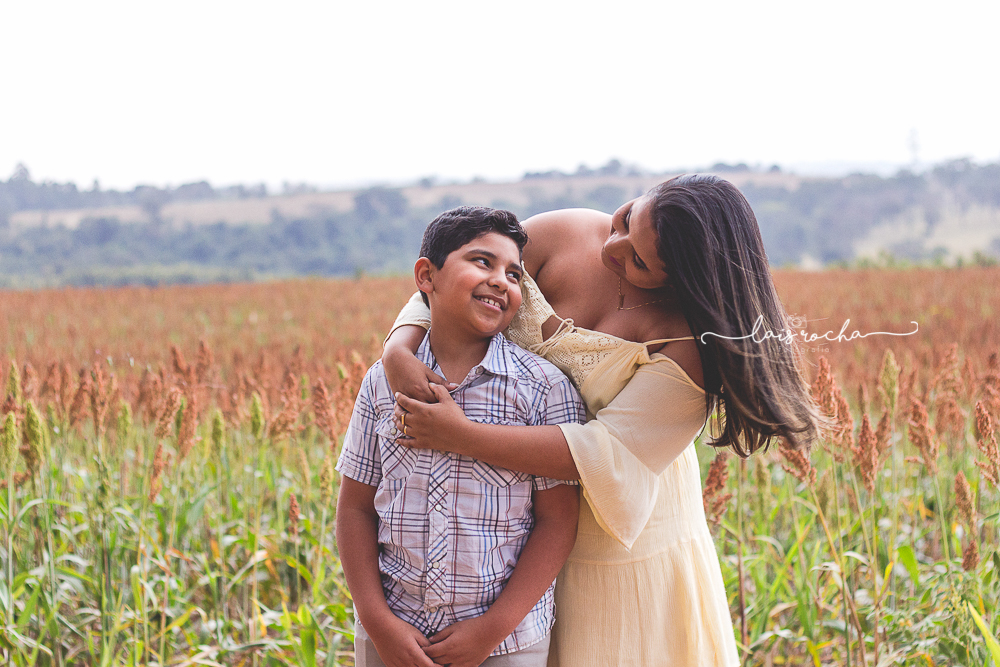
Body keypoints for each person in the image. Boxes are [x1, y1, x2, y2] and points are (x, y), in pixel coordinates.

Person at [383, 174, 822, 666]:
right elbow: (455, 275)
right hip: (507, 531)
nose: (613, 247)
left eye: (640, 261)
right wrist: (398, 348)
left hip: (614, 555)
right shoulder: (560, 233)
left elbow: (602, 454)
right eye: (627, 218)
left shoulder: (691, 347)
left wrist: (460, 435)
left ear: (683, 279)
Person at [336, 206, 585, 667]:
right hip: (394, 633)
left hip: (504, 643)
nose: (501, 281)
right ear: (426, 276)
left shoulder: (544, 389)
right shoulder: (381, 382)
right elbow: (355, 508)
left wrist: (492, 630)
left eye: (514, 274)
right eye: (482, 261)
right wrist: (376, 620)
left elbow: (557, 522)